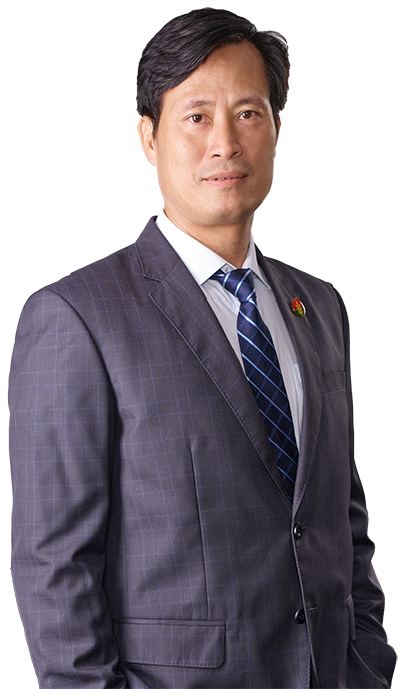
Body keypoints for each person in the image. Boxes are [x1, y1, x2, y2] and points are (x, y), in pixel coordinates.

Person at [9, 8, 396, 689]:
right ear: (149, 137)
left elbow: (343, 526)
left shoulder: (320, 307)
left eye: (249, 113)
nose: (225, 142)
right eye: (196, 116)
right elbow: (54, 566)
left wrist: (367, 668)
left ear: (276, 129)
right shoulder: (76, 317)